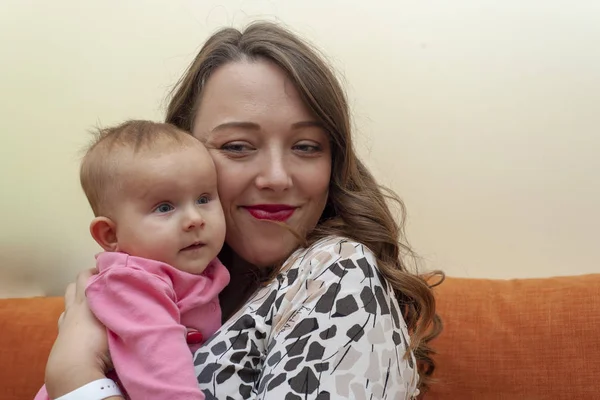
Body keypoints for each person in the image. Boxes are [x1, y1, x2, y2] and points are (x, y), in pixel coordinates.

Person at [42, 21, 443, 400]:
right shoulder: (163, 283)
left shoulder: (339, 273)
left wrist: (76, 376)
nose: (276, 177)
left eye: (306, 146)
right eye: (237, 146)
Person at [36, 121, 230, 400]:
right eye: (164, 207)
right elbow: (158, 356)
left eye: (203, 199)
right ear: (110, 234)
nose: (195, 219)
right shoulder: (131, 282)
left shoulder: (199, 269)